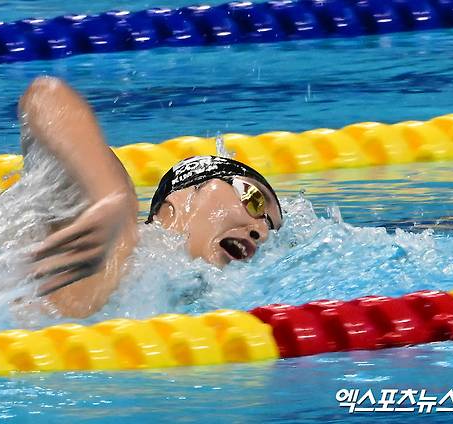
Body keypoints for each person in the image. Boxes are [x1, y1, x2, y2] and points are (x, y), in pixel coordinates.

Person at [19, 77, 283, 318]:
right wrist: (111, 196)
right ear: (180, 197)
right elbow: (45, 96)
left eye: (271, 226)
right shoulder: (118, 239)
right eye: (253, 199)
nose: (262, 231)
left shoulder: (167, 301)